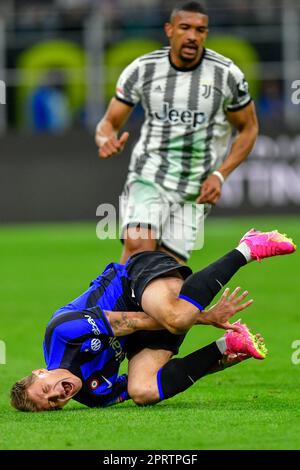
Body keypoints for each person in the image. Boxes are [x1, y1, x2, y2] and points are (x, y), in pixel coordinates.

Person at [10, 228, 295, 412]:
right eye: (51, 404)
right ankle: (231, 344)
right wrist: (215, 360)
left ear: (40, 372)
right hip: (145, 328)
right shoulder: (94, 396)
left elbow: (127, 323)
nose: (57, 396)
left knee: (177, 316)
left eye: (46, 389)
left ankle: (247, 247)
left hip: (133, 281)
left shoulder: (61, 334)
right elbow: (162, 377)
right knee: (142, 391)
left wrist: (204, 317)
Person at [95, 1, 259, 263]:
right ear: (169, 29)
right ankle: (100, 304)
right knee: (138, 247)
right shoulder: (143, 69)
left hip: (196, 188)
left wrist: (220, 175)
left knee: (164, 277)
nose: (193, 36)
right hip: (150, 175)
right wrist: (105, 139)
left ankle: (122, 304)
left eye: (200, 30)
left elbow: (249, 128)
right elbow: (108, 123)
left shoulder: (227, 75)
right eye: (185, 27)